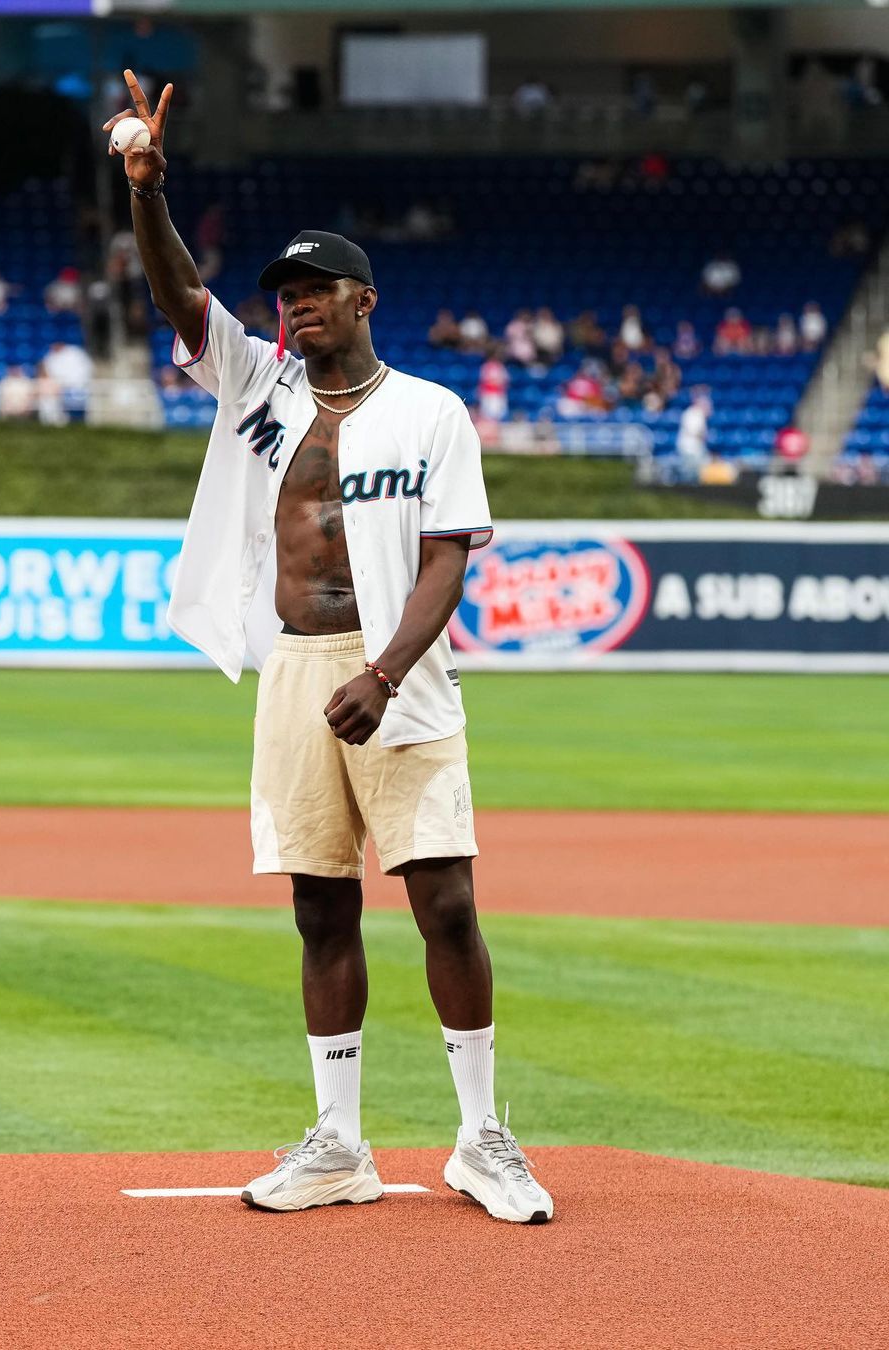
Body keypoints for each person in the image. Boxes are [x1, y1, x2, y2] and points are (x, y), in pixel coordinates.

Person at [105, 69, 553, 1225]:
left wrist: (387, 670)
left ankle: (483, 1138)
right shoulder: (256, 384)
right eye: (284, 295)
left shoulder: (432, 412)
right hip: (299, 667)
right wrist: (147, 192)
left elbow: (452, 556)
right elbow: (179, 301)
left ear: (363, 299)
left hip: (396, 667)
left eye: (313, 292)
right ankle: (340, 1145)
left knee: (445, 899)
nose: (294, 308)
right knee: (320, 908)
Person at [477, 345, 510, 422]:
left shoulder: (501, 367)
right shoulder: (486, 367)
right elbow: (483, 381)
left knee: (498, 416)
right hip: (487, 394)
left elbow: (505, 381)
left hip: (498, 394)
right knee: (487, 417)